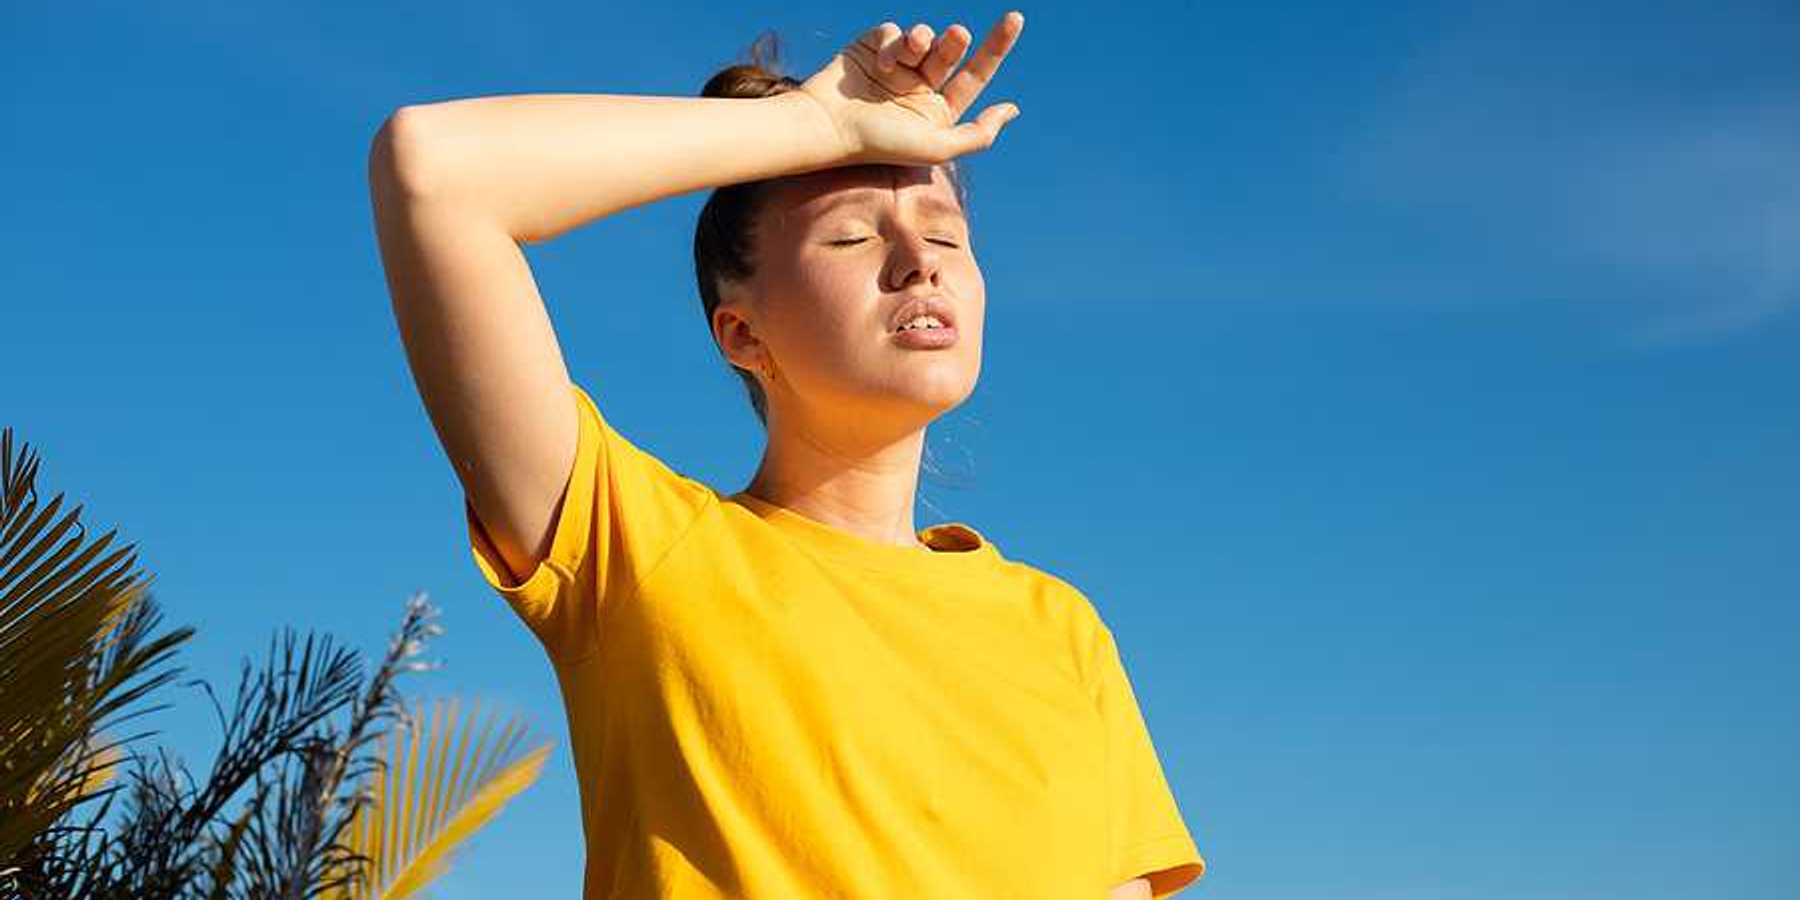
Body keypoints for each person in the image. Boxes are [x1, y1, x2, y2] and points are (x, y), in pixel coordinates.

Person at [367, 12, 1204, 898]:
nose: (921, 261)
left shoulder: (1058, 628)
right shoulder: (641, 551)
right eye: (851, 235)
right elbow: (435, 169)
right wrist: (811, 129)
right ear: (741, 331)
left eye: (949, 235)